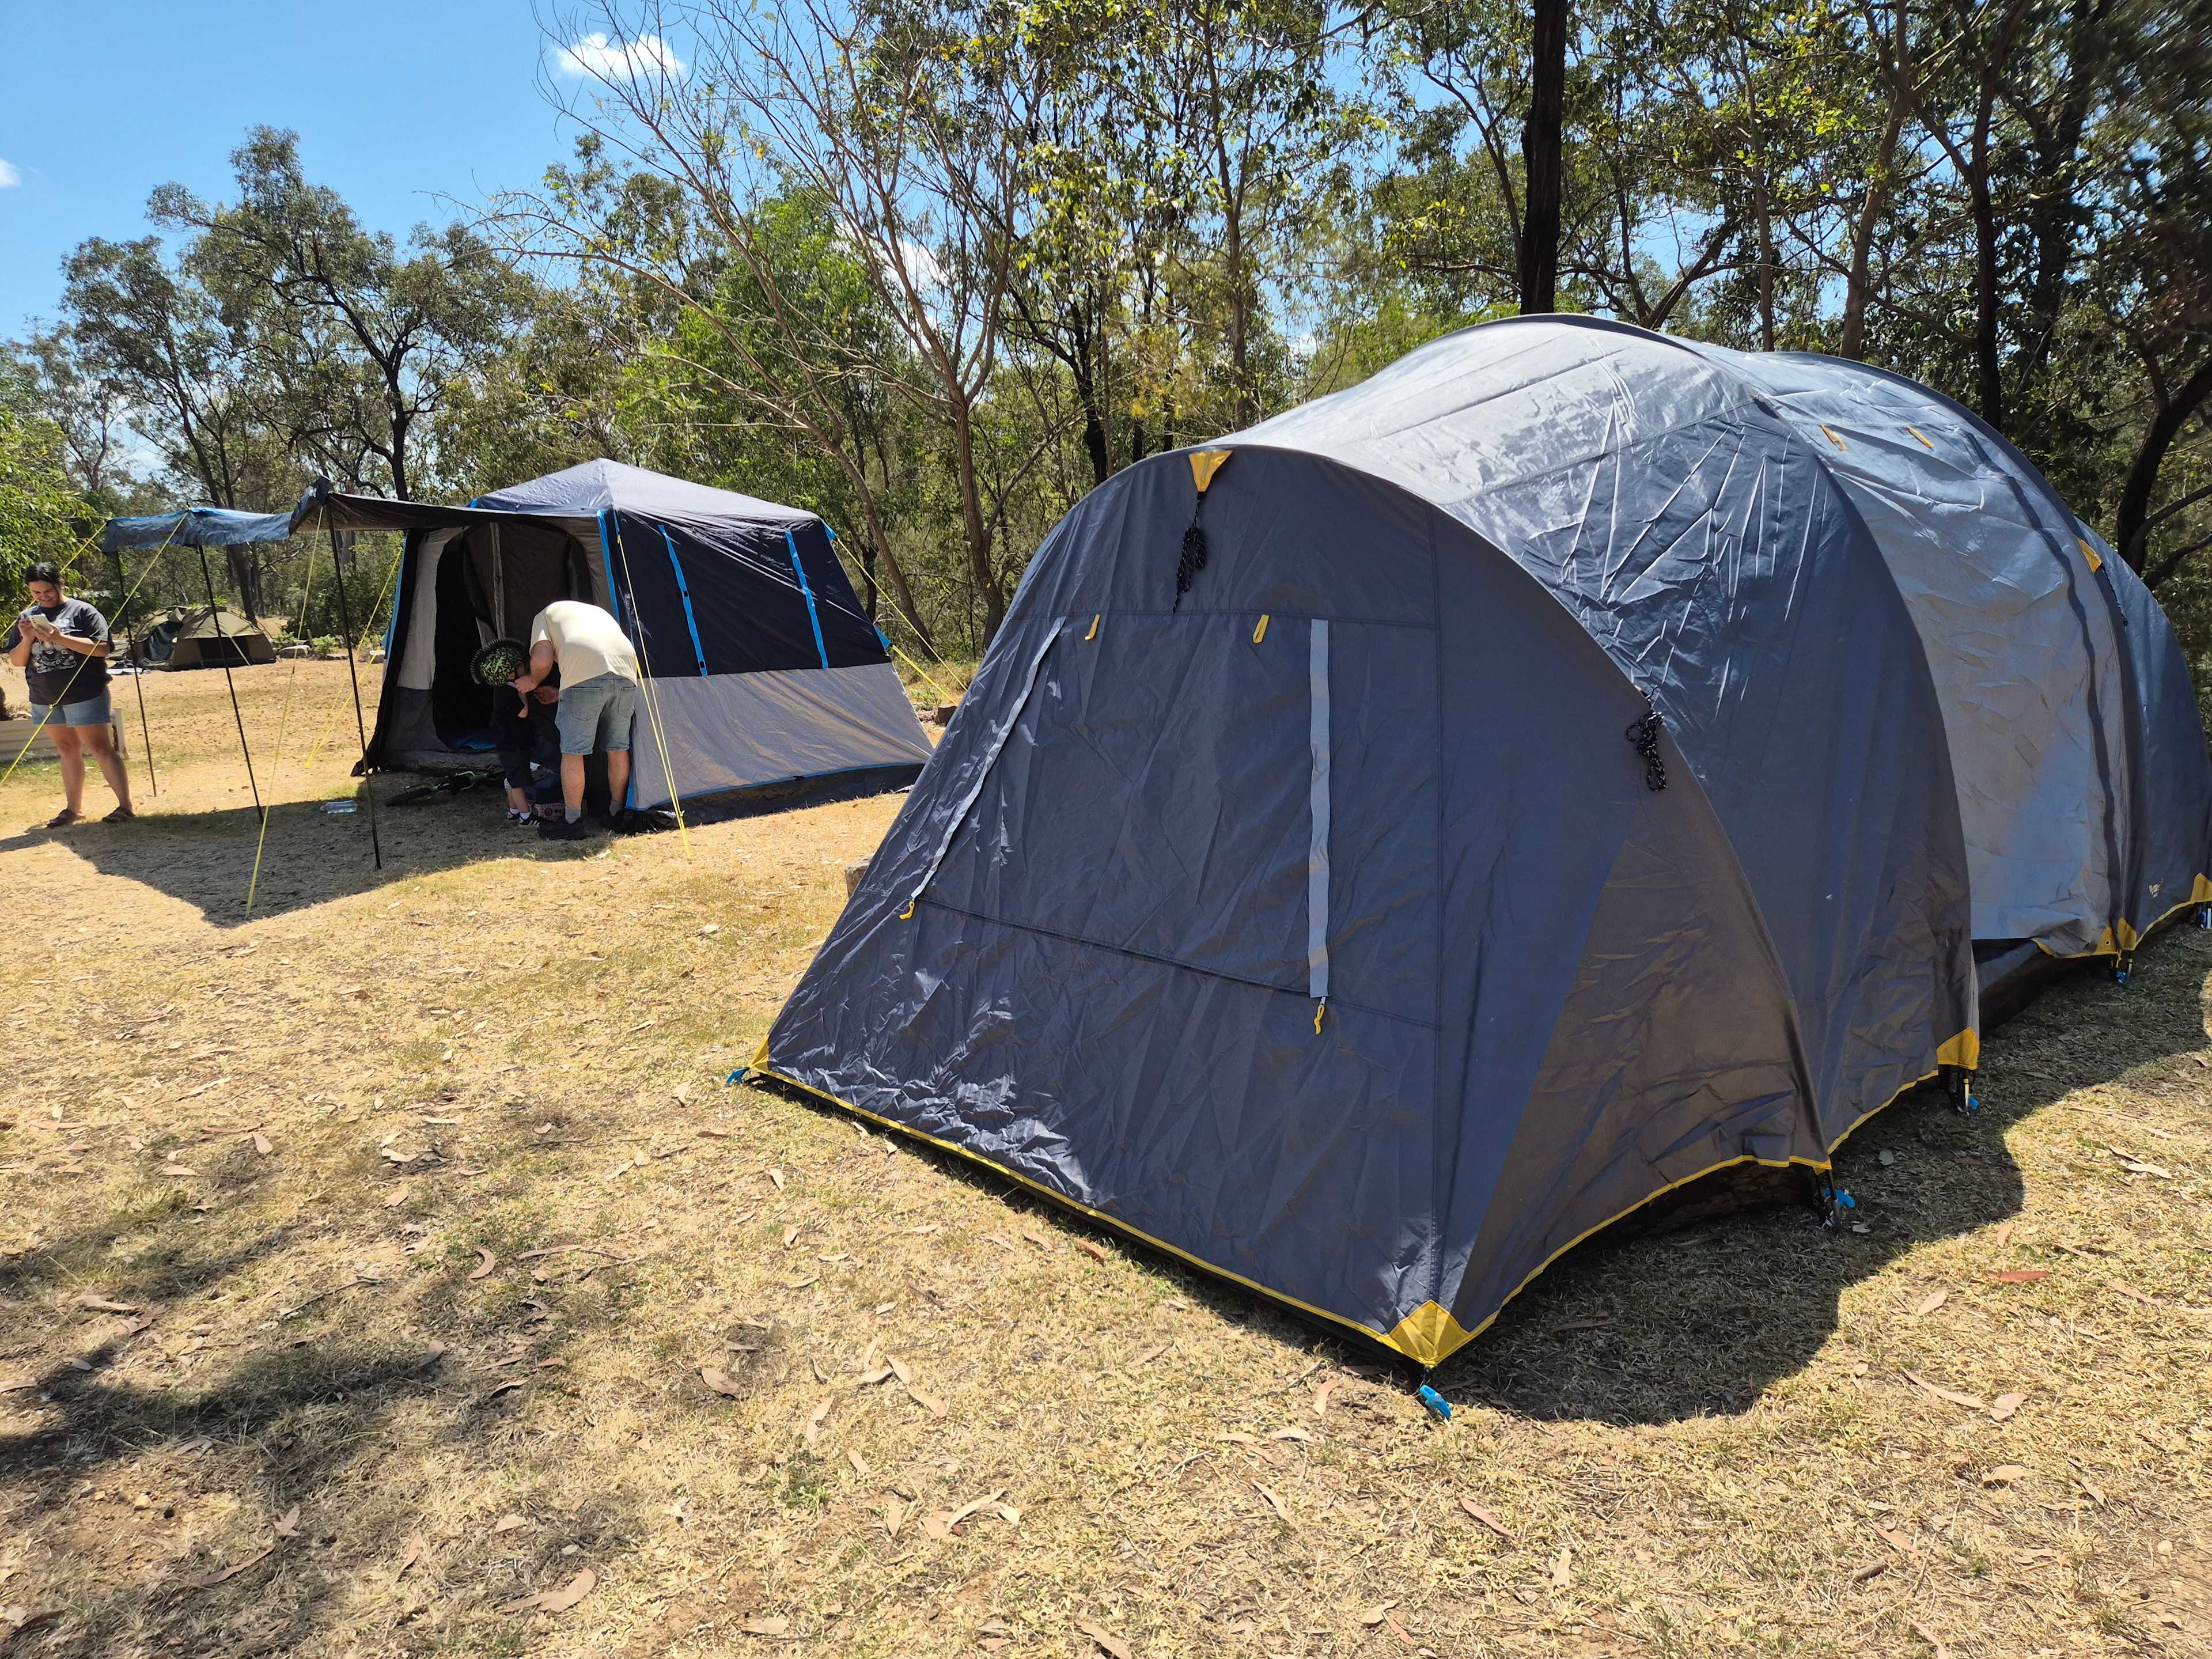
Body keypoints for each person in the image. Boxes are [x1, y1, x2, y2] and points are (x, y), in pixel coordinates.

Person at [4, 562, 134, 827]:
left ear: (60, 584)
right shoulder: (26, 617)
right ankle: (73, 809)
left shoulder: (83, 611)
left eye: (47, 592)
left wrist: (60, 638)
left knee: (99, 747)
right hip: (45, 696)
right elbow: (17, 661)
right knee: (66, 749)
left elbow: (102, 649)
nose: (42, 598)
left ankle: (124, 806)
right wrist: (28, 639)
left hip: (84, 693)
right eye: (36, 593)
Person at [511, 599, 639, 842]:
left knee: (573, 751)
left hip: (584, 676)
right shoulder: (598, 613)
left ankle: (572, 821)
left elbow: (542, 660)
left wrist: (532, 681)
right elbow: (600, 670)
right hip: (626, 672)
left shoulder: (544, 615)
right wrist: (561, 692)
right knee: (618, 747)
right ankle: (616, 812)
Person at [471, 638, 561, 825]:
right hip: (513, 746)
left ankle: (512, 810)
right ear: (511, 673)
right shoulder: (508, 693)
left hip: (511, 745)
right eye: (521, 666)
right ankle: (526, 817)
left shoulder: (502, 690)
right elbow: (523, 713)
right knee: (518, 782)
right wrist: (523, 693)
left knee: (513, 779)